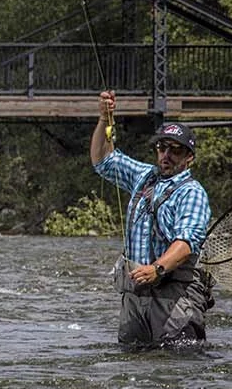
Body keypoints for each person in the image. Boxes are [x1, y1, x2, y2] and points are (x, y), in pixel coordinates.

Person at [90, 91, 213, 350]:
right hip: (136, 298)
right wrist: (104, 119)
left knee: (177, 367)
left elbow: (186, 242)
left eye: (175, 150)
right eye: (162, 147)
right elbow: (102, 161)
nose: (166, 155)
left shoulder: (192, 192)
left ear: (189, 157)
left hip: (174, 300)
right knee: (132, 367)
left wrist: (156, 268)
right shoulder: (144, 176)